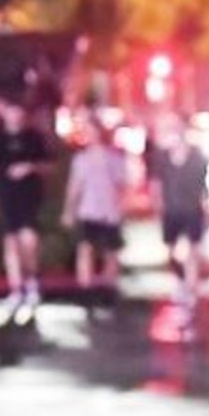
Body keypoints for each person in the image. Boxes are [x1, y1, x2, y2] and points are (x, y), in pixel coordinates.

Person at [0, 101, 53, 308]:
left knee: (29, 239)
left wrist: (30, 167)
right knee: (11, 242)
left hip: (28, 197)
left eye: (18, 111)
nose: (15, 115)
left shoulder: (33, 138)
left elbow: (48, 166)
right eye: (11, 111)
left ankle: (32, 280)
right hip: (6, 197)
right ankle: (16, 288)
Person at [62, 118, 127, 307]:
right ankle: (86, 289)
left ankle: (108, 289)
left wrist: (120, 207)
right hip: (88, 210)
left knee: (110, 252)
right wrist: (69, 210)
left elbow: (121, 186)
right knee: (85, 249)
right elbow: (74, 187)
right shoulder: (81, 160)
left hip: (109, 211)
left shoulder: (114, 158)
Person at [150, 117, 209, 314]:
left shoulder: (197, 156)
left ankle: (191, 289)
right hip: (171, 209)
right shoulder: (163, 157)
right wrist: (157, 204)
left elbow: (204, 184)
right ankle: (180, 280)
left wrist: (206, 204)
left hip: (192, 208)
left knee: (193, 250)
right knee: (171, 250)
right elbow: (157, 183)